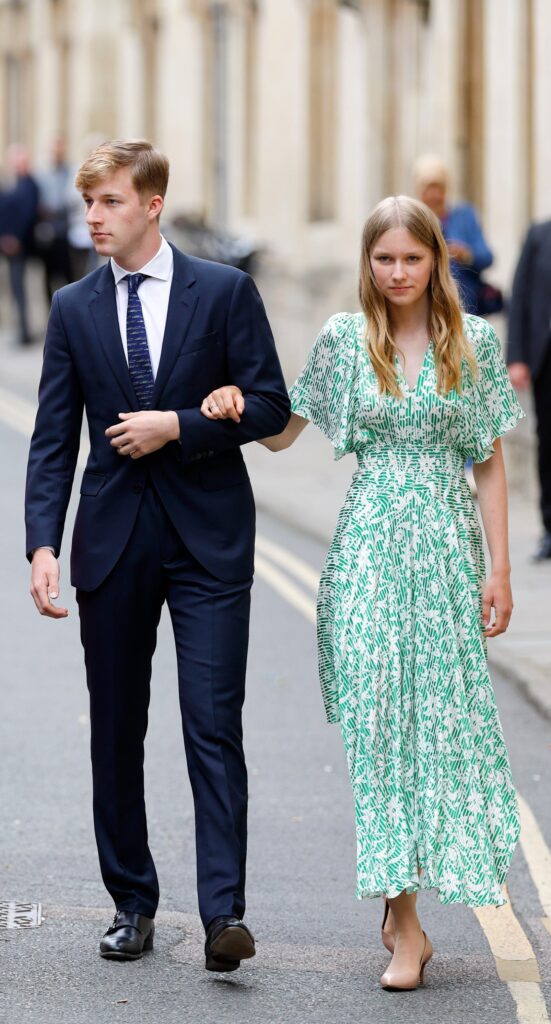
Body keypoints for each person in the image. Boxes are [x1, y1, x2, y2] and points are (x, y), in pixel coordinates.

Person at [201, 196, 524, 991]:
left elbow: (486, 460)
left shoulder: (471, 343)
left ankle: (407, 907)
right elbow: (286, 430)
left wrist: (500, 568)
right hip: (368, 560)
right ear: (366, 264)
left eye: (411, 258)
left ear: (435, 262)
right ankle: (405, 927)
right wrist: (235, 403)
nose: (397, 272)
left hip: (447, 558)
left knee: (439, 734)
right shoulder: (347, 341)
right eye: (383, 258)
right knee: (380, 736)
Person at [25, 139, 290, 969]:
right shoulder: (72, 307)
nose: (92, 218)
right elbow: (51, 440)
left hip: (208, 541)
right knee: (116, 730)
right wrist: (42, 543)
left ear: (150, 205)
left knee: (213, 726)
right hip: (110, 544)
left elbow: (272, 407)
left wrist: (180, 425)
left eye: (107, 202)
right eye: (87, 203)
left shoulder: (224, 292)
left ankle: (223, 917)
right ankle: (131, 904)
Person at [507, 220, 551, 560]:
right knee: (548, 444)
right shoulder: (538, 236)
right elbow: (519, 297)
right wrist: (517, 357)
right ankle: (550, 529)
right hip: (545, 360)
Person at [413, 154, 493, 316]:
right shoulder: (412, 221)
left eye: (438, 189)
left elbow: (487, 257)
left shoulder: (464, 216)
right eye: (428, 189)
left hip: (465, 306)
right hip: (424, 308)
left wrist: (466, 254)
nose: (433, 195)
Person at [0, 144, 39, 345]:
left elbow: (27, 215)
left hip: (20, 246)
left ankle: (24, 333)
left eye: (20, 159)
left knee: (20, 290)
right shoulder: (11, 184)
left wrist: (15, 238)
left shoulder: (30, 184)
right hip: (6, 244)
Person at [36, 137, 73, 302]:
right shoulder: (42, 175)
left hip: (66, 234)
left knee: (69, 276)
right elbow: (40, 202)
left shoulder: (70, 172)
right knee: (48, 277)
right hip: (48, 235)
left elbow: (70, 200)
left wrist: (57, 208)